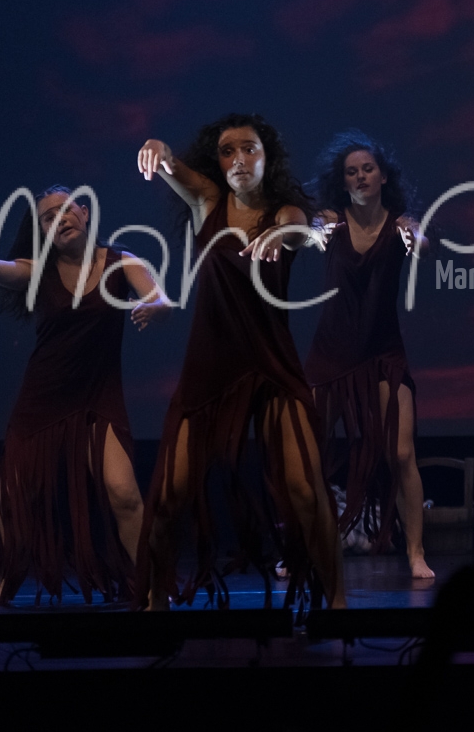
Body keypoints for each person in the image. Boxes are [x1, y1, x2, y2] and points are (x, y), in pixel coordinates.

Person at [135, 114, 343, 609]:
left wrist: (276, 237)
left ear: (267, 158)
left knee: (305, 490)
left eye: (249, 149)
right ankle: (153, 603)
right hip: (211, 367)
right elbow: (173, 166)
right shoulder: (209, 202)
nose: (239, 160)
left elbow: (302, 231)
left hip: (271, 365)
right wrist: (158, 146)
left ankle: (337, 604)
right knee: (168, 496)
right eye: (228, 151)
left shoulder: (285, 212)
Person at [0, 179, 169, 605]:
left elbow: (162, 299)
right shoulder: (37, 270)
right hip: (43, 396)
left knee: (124, 494)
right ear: (43, 232)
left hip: (98, 396)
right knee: (14, 495)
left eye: (65, 210)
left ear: (84, 212)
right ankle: (5, 580)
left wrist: (154, 306)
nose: (59, 220)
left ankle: (151, 584)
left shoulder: (121, 261)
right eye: (48, 218)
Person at [305, 130, 433, 579]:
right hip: (331, 354)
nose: (360, 176)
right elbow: (311, 235)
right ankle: (301, 549)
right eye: (351, 172)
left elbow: (422, 243)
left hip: (382, 353)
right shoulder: (331, 222)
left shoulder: (400, 225)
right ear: (342, 181)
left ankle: (415, 552)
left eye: (367, 169)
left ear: (383, 176)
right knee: (309, 454)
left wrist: (416, 239)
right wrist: (313, 234)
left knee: (401, 453)